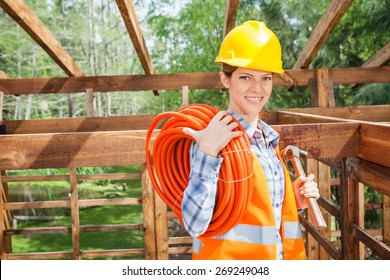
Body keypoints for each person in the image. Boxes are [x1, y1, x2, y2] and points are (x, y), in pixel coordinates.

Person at [181, 21, 320, 260]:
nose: (257, 88)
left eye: (265, 78)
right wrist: (207, 152)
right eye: (246, 77)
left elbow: (261, 219)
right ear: (226, 79)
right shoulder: (212, 140)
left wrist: (292, 200)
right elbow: (195, 224)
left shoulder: (268, 141)